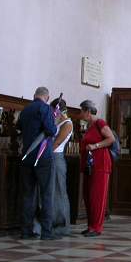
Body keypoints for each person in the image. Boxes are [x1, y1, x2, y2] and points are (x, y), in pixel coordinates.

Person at [18, 87, 58, 240]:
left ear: (34, 95)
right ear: (47, 97)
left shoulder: (26, 109)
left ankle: (26, 231)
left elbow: (20, 127)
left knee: (28, 194)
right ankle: (47, 232)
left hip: (27, 156)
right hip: (42, 157)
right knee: (47, 193)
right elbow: (51, 130)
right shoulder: (45, 108)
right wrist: (54, 120)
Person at [79, 99, 115, 237]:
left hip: (100, 164)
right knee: (88, 196)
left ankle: (97, 227)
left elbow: (111, 138)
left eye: (82, 111)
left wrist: (95, 146)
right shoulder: (89, 125)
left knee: (97, 197)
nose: (80, 114)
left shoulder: (100, 123)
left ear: (88, 111)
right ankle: (90, 226)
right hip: (90, 165)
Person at [50, 97, 73, 236]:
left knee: (60, 191)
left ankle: (62, 226)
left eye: (54, 110)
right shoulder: (58, 121)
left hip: (57, 158)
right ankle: (52, 223)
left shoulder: (67, 124)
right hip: (52, 158)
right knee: (53, 192)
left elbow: (57, 142)